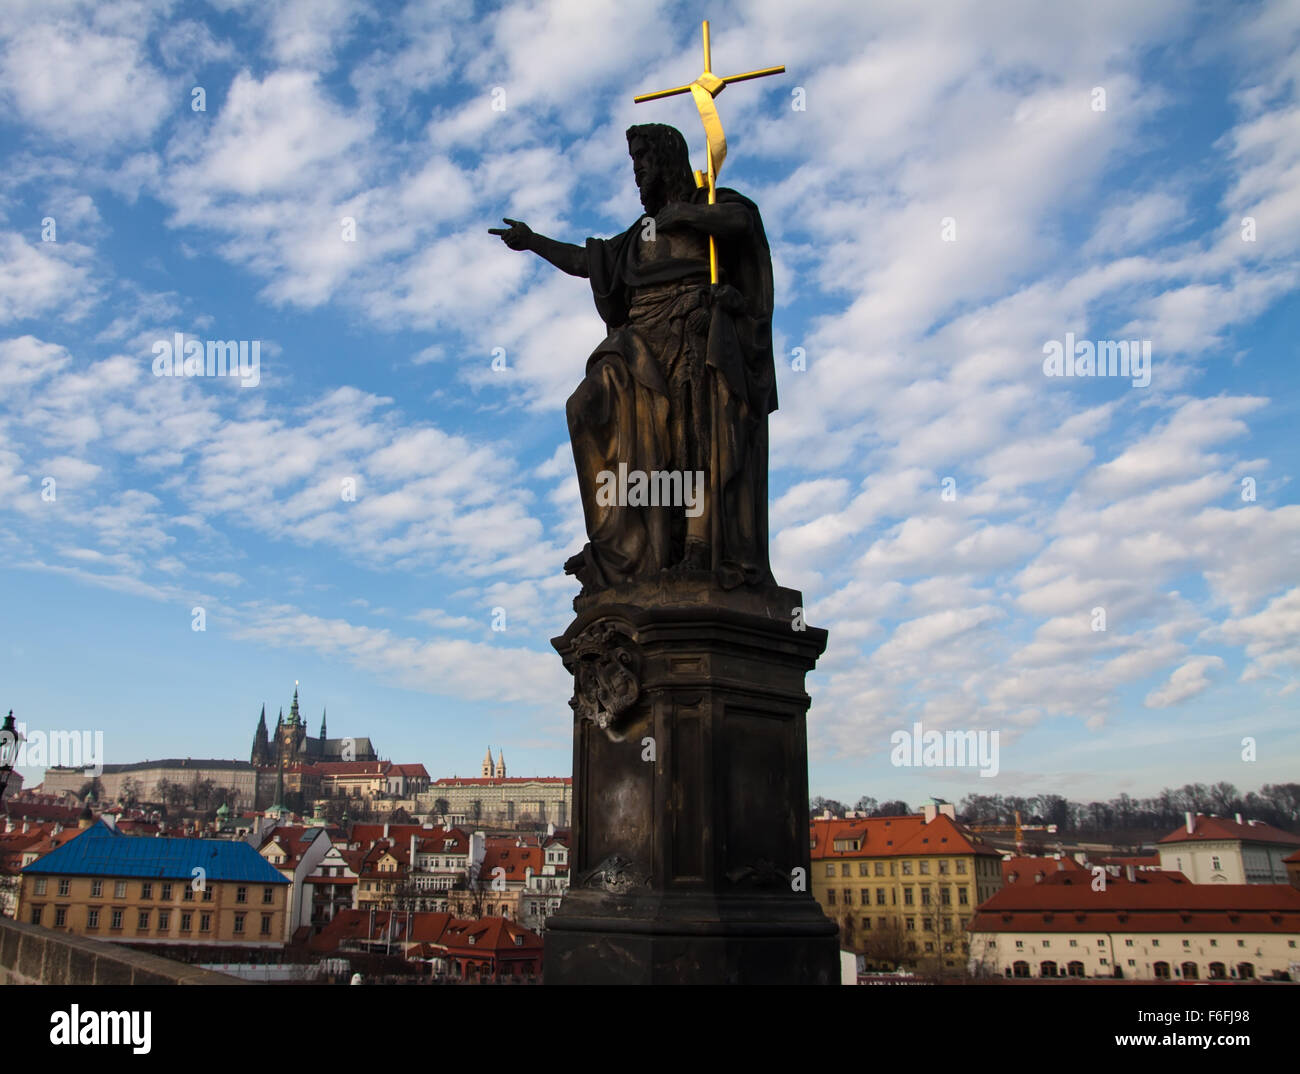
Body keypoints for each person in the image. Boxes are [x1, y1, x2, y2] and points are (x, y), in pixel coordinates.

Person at [490, 123, 777, 591]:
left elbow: (741, 225)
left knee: (692, 441)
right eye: (633, 160)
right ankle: (621, 548)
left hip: (693, 333)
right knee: (586, 405)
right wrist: (533, 241)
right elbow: (590, 262)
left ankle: (698, 548)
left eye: (643, 157)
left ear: (667, 158)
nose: (637, 169)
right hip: (640, 343)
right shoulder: (639, 233)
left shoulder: (715, 205)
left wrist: (683, 215)